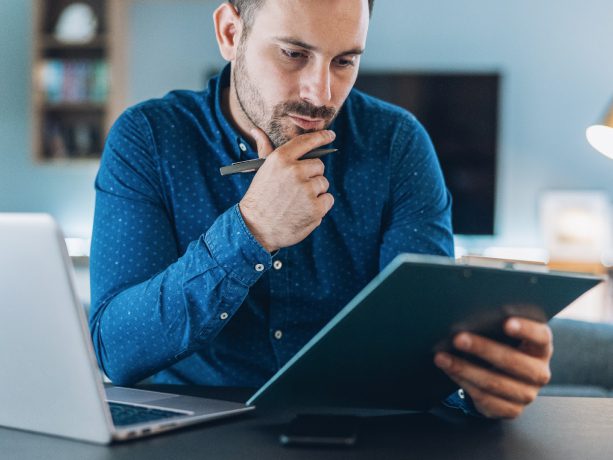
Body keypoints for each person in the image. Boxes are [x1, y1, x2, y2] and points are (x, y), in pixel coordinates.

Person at [89, 0, 552, 419]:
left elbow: (421, 343)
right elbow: (118, 351)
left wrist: (479, 382)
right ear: (231, 32)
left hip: (358, 432)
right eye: (293, 54)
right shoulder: (149, 138)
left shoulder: (398, 145)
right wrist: (250, 231)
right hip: (192, 433)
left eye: (345, 61)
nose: (321, 94)